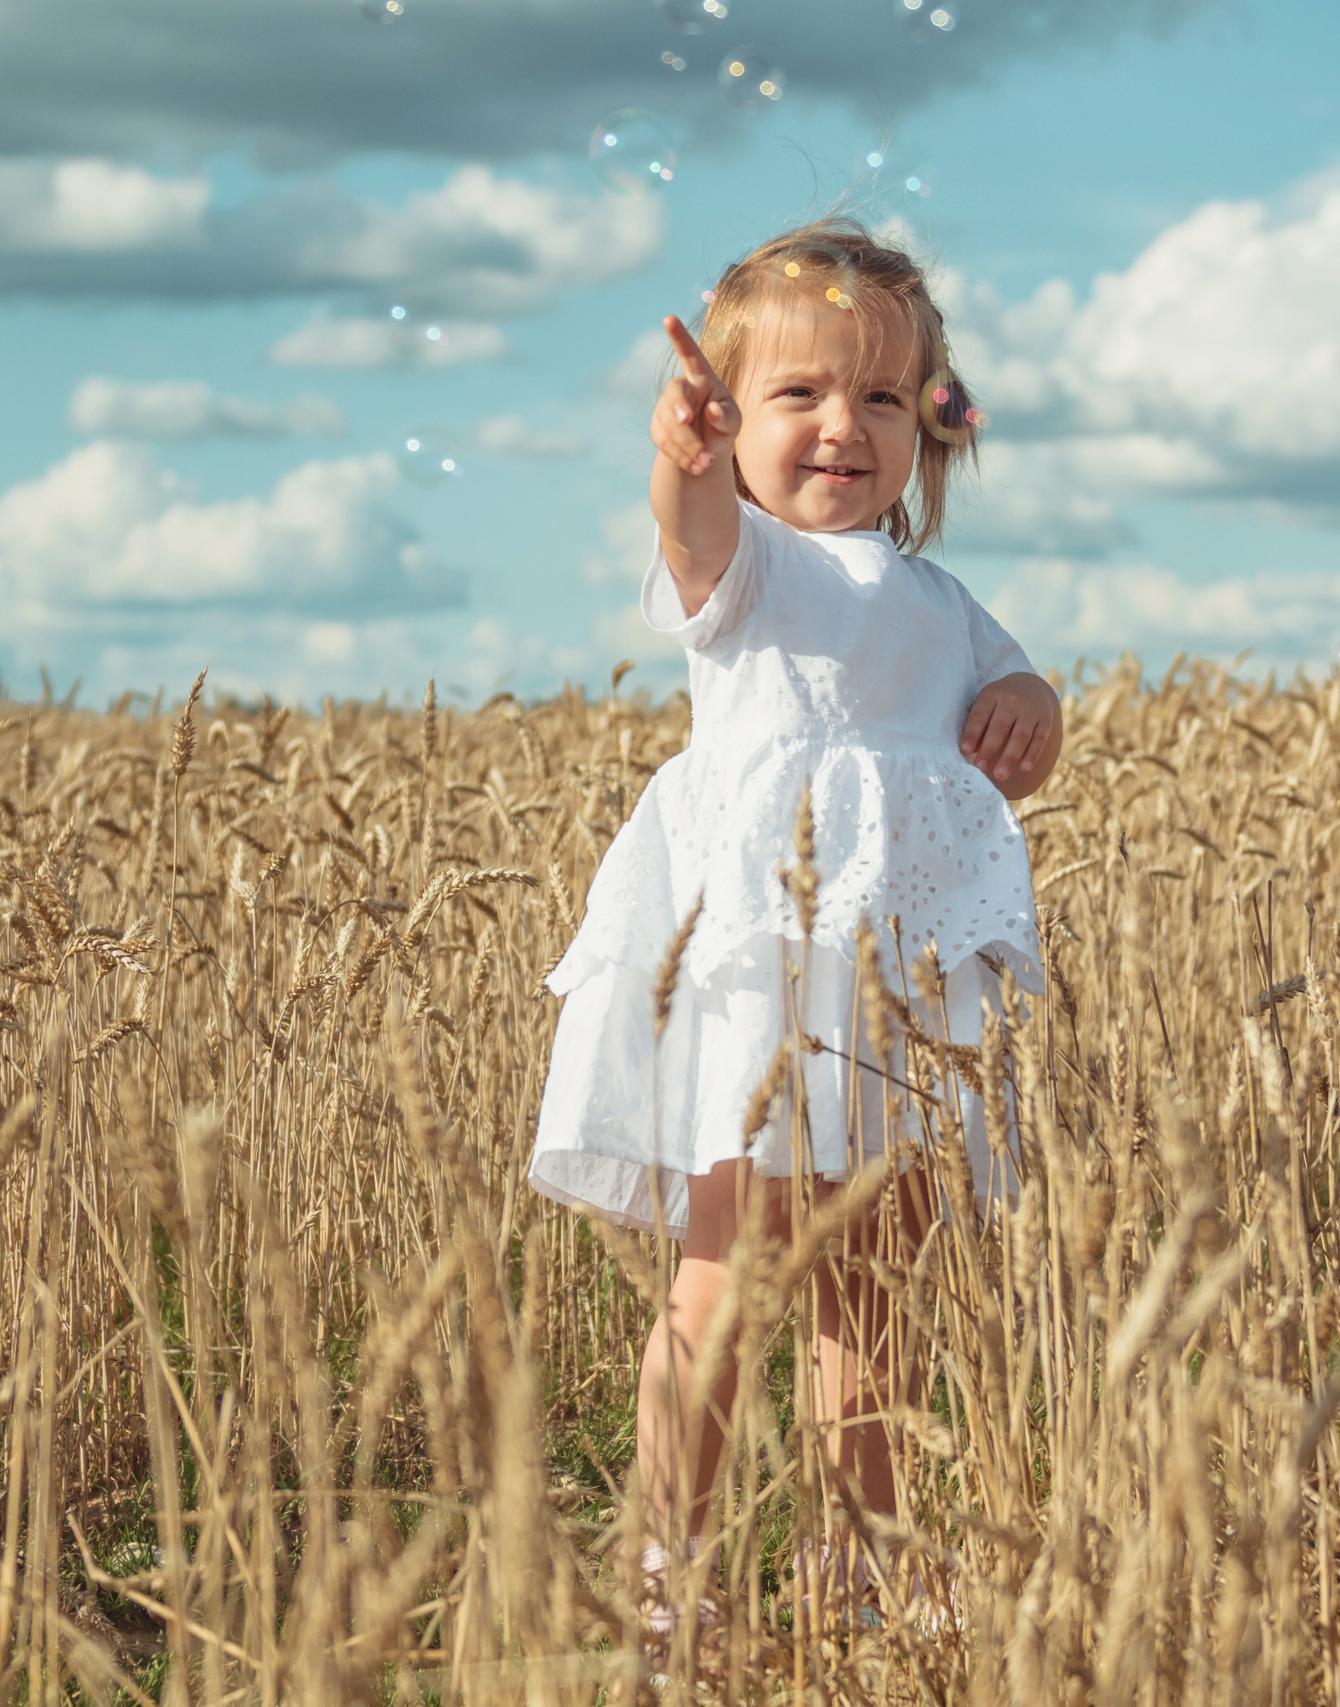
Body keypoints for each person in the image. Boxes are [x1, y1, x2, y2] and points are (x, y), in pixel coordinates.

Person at [527, 217, 1062, 1629]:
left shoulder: (943, 603)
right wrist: (681, 461)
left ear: (931, 430)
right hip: (764, 976)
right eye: (799, 395)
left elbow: (1022, 705)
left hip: (888, 984)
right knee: (725, 1265)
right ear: (734, 422)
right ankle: (669, 1561)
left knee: (879, 1284)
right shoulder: (750, 564)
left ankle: (858, 1555)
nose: (844, 427)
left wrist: (1031, 711)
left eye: (883, 397)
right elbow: (688, 531)